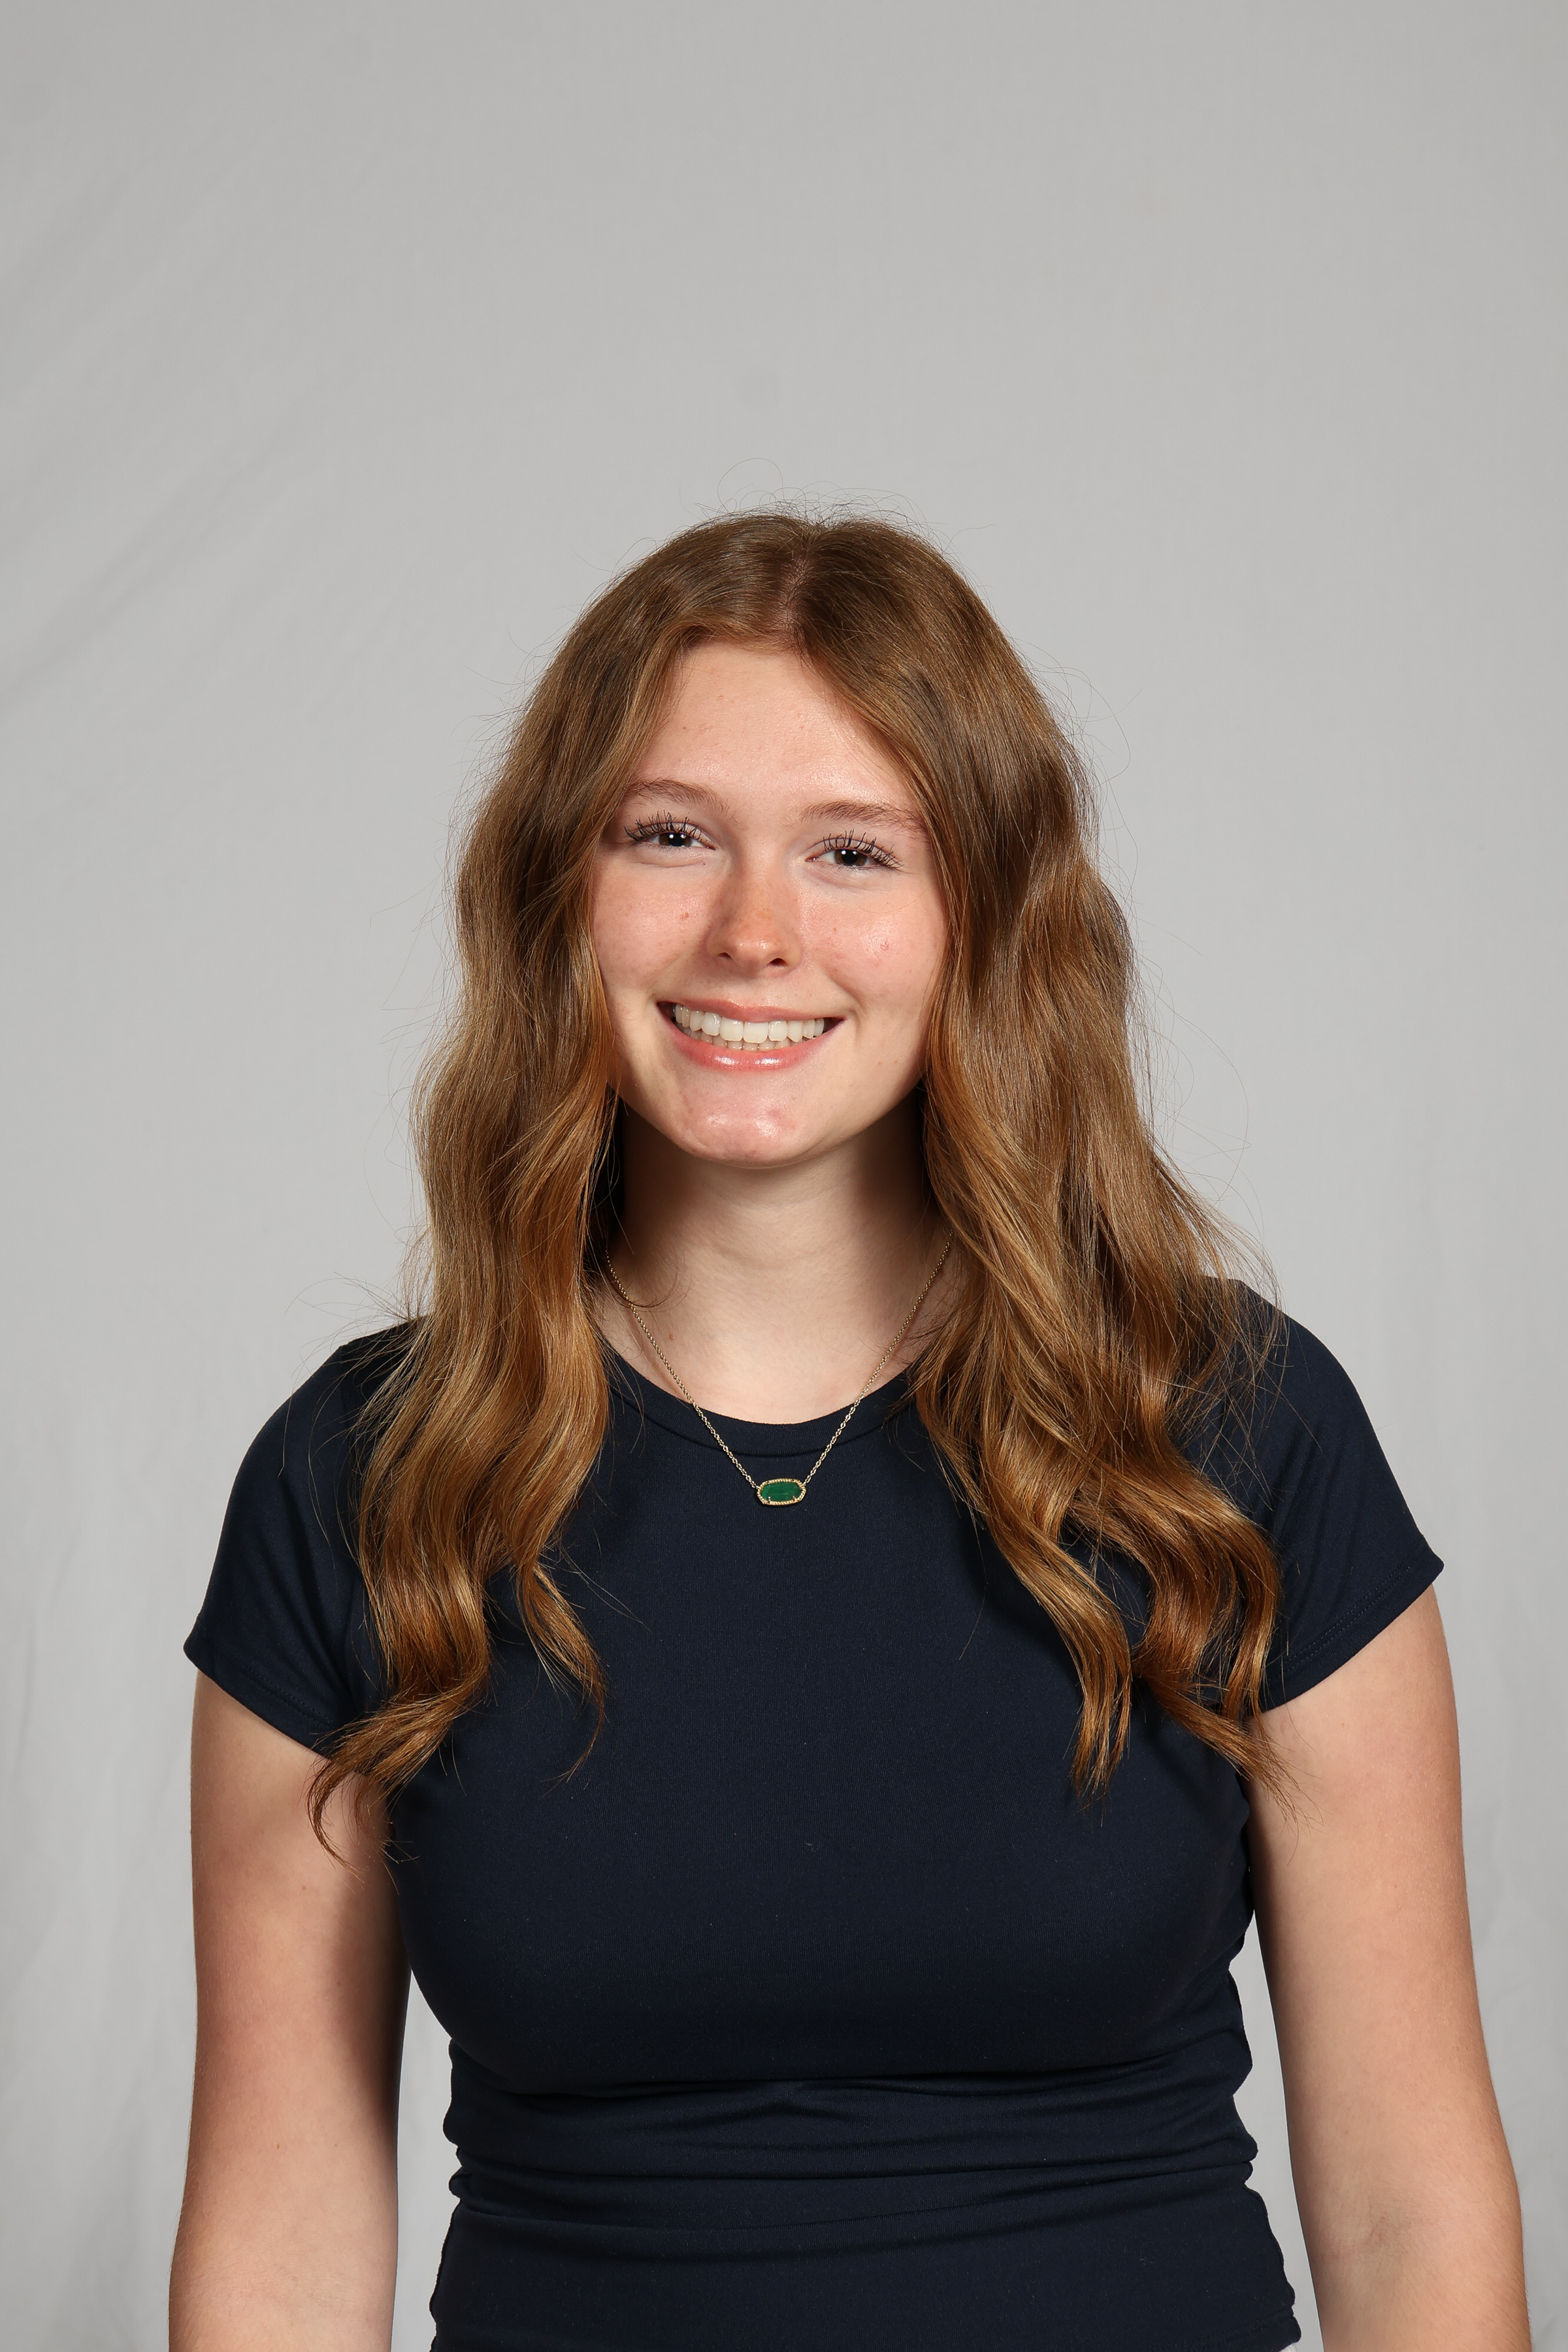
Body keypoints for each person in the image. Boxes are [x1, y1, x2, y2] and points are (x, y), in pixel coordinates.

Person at [169, 511, 1528, 2352]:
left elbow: (1411, 2212)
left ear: (984, 919)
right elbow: (278, 2236)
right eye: (669, 835)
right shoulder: (364, 1479)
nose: (754, 933)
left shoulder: (1233, 1435)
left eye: (852, 852)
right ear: (560, 889)